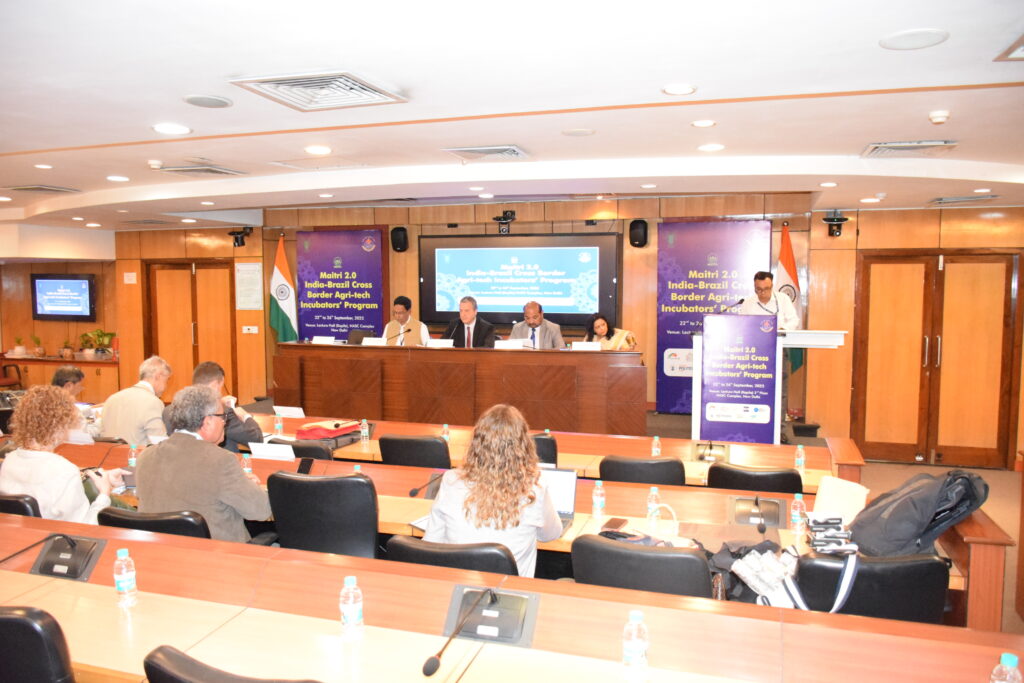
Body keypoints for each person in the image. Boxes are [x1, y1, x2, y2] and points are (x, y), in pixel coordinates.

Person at [422, 404, 562, 577]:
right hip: (509, 591)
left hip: (455, 586)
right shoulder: (534, 487)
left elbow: (431, 542)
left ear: (476, 442)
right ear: (524, 444)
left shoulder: (451, 480)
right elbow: (552, 534)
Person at [136, 385, 271, 542]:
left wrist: (238, 482)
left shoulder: (145, 457)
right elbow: (261, 511)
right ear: (207, 422)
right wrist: (250, 485)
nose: (224, 422)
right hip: (217, 553)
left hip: (160, 551)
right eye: (223, 417)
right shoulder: (221, 461)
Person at [0, 385, 124, 523]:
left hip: (20, 533)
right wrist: (104, 494)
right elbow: (86, 525)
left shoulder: (9, 460)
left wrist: (95, 475)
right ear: (61, 424)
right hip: (58, 534)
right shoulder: (64, 470)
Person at [738, 271, 801, 443]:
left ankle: (780, 430)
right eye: (758, 289)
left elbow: (794, 320)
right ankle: (754, 428)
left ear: (772, 286)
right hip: (756, 353)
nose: (762, 293)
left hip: (778, 349)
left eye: (766, 289)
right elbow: (742, 326)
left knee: (780, 391)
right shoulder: (748, 303)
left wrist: (782, 329)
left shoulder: (783, 299)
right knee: (755, 390)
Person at [162, 361, 261, 453]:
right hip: (221, 462)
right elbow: (256, 439)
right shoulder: (222, 413)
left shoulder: (168, 411)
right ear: (218, 383)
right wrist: (246, 416)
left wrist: (219, 402)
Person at [100, 356, 171, 445]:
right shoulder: (153, 402)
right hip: (136, 453)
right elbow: (159, 442)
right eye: (166, 381)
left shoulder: (111, 399)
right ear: (158, 376)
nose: (165, 387)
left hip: (109, 453)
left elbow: (102, 433)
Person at [51, 365, 98, 443]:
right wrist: (100, 421)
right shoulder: (69, 408)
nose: (82, 389)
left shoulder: (49, 402)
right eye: (80, 385)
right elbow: (87, 434)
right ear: (69, 386)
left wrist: (91, 410)